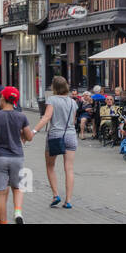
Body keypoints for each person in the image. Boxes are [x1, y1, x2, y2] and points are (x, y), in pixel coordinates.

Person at [0, 86, 33, 224]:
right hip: (17, 158)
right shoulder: (21, 116)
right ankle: (18, 212)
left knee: (0, 192)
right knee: (18, 187)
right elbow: (29, 137)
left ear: (3, 99)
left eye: (1, 97)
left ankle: (3, 221)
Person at [33, 76, 79, 208]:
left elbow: (47, 117)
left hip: (55, 135)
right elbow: (73, 122)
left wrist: (34, 131)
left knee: (50, 166)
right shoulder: (72, 102)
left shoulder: (52, 100)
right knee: (69, 168)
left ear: (54, 87)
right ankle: (68, 201)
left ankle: (55, 195)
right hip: (70, 135)